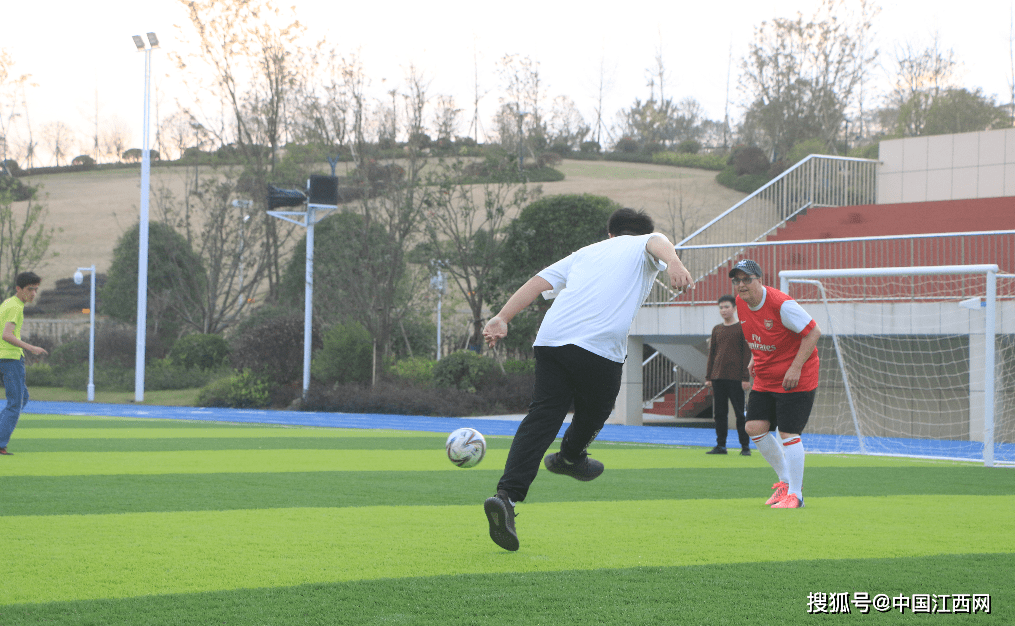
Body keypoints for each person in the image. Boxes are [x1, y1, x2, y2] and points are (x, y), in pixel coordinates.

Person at [481, 208, 694, 551]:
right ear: (631, 235)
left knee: (542, 417)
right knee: (596, 412)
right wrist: (675, 263)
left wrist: (502, 317)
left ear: (609, 234)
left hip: (551, 341)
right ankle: (569, 456)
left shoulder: (584, 253)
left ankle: (507, 497)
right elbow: (658, 241)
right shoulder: (644, 243)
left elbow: (537, 283)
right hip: (597, 347)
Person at [730, 259, 820, 509]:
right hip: (767, 374)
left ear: (760, 280)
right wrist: (753, 358)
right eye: (737, 280)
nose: (741, 285)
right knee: (754, 426)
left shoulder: (782, 304)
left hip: (796, 376)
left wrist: (795, 367)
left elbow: (814, 332)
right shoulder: (740, 301)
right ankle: (784, 482)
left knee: (788, 433)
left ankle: (796, 495)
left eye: (747, 279)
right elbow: (756, 333)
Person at [0, 272, 49, 456]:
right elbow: (6, 335)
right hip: (10, 359)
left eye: (36, 289)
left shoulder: (7, 303)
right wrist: (31, 347)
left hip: (5, 357)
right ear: (18, 289)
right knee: (15, 403)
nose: (34, 293)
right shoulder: (16, 307)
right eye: (30, 289)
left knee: (23, 398)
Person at [704, 294, 752, 456]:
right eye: (721, 307)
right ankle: (721, 446)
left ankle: (745, 447)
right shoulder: (717, 329)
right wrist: (708, 376)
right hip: (718, 378)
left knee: (740, 413)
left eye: (726, 307)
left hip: (736, 379)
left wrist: (746, 377)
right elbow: (712, 354)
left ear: (734, 308)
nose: (723, 310)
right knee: (719, 414)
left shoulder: (742, 328)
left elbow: (747, 354)